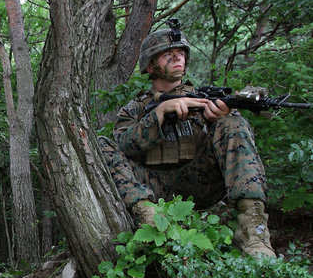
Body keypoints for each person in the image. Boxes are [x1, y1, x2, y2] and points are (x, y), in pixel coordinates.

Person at [98, 21, 275, 258]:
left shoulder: (205, 99)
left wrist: (220, 118)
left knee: (233, 124)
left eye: (180, 53)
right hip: (153, 189)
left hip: (200, 184)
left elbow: (238, 143)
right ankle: (149, 218)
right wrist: (159, 114)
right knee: (100, 145)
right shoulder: (134, 109)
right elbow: (123, 146)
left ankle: (254, 233)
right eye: (168, 55)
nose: (177, 58)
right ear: (150, 66)